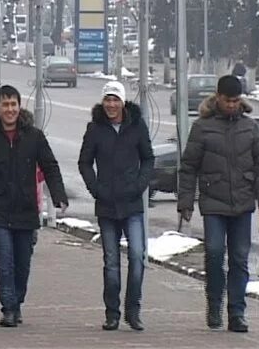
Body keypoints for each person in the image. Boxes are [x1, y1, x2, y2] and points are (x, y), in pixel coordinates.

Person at [0, 85, 68, 328]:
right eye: (5, 105)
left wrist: (58, 195)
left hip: (26, 210)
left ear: (19, 107)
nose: (10, 109)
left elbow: (50, 166)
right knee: (3, 259)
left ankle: (16, 301)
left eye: (13, 104)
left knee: (22, 262)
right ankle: (8, 307)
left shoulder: (34, 136)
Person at [177, 75, 259, 333]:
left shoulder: (250, 127)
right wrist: (185, 201)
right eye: (227, 100)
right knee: (215, 253)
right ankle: (214, 304)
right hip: (213, 203)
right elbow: (188, 167)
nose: (232, 105)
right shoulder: (202, 127)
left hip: (243, 204)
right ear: (217, 97)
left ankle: (237, 313)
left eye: (236, 100)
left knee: (240, 259)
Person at [78, 80, 154, 332]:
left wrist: (140, 184)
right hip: (107, 206)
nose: (111, 104)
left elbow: (148, 159)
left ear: (123, 102)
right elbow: (85, 162)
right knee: (111, 261)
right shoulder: (95, 129)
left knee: (137, 256)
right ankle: (112, 313)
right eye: (107, 99)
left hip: (132, 204)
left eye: (115, 100)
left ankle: (133, 310)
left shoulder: (136, 126)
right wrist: (95, 188)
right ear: (103, 102)